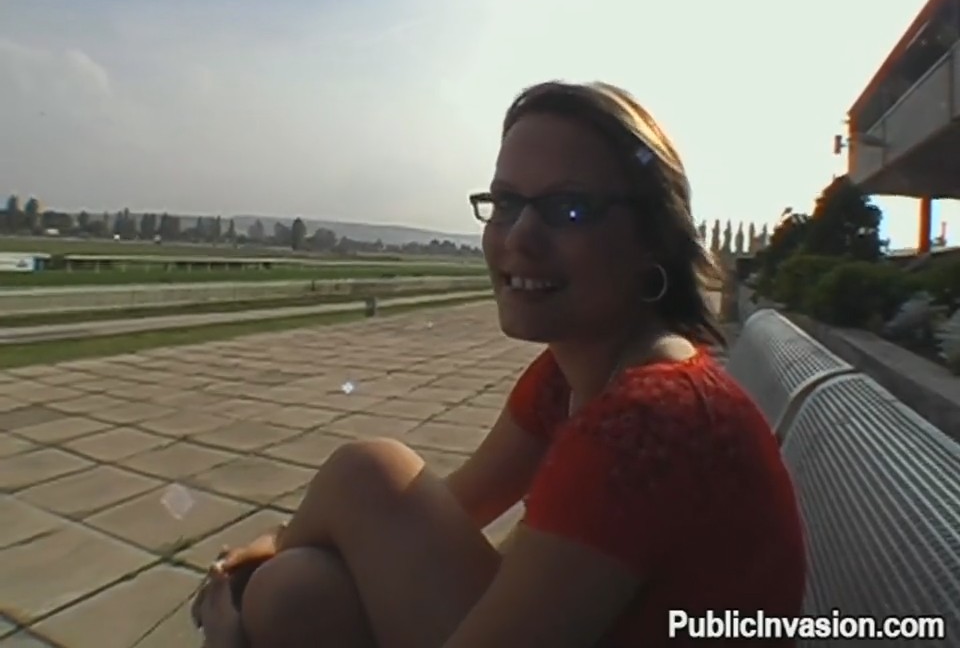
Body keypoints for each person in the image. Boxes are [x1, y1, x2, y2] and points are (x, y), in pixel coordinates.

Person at [193, 80, 806, 647]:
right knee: (294, 589)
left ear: (653, 238)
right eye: (507, 202)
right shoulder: (570, 376)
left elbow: (388, 511)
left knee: (364, 474)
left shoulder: (647, 424)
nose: (518, 237)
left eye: (569, 208)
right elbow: (449, 509)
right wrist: (277, 541)